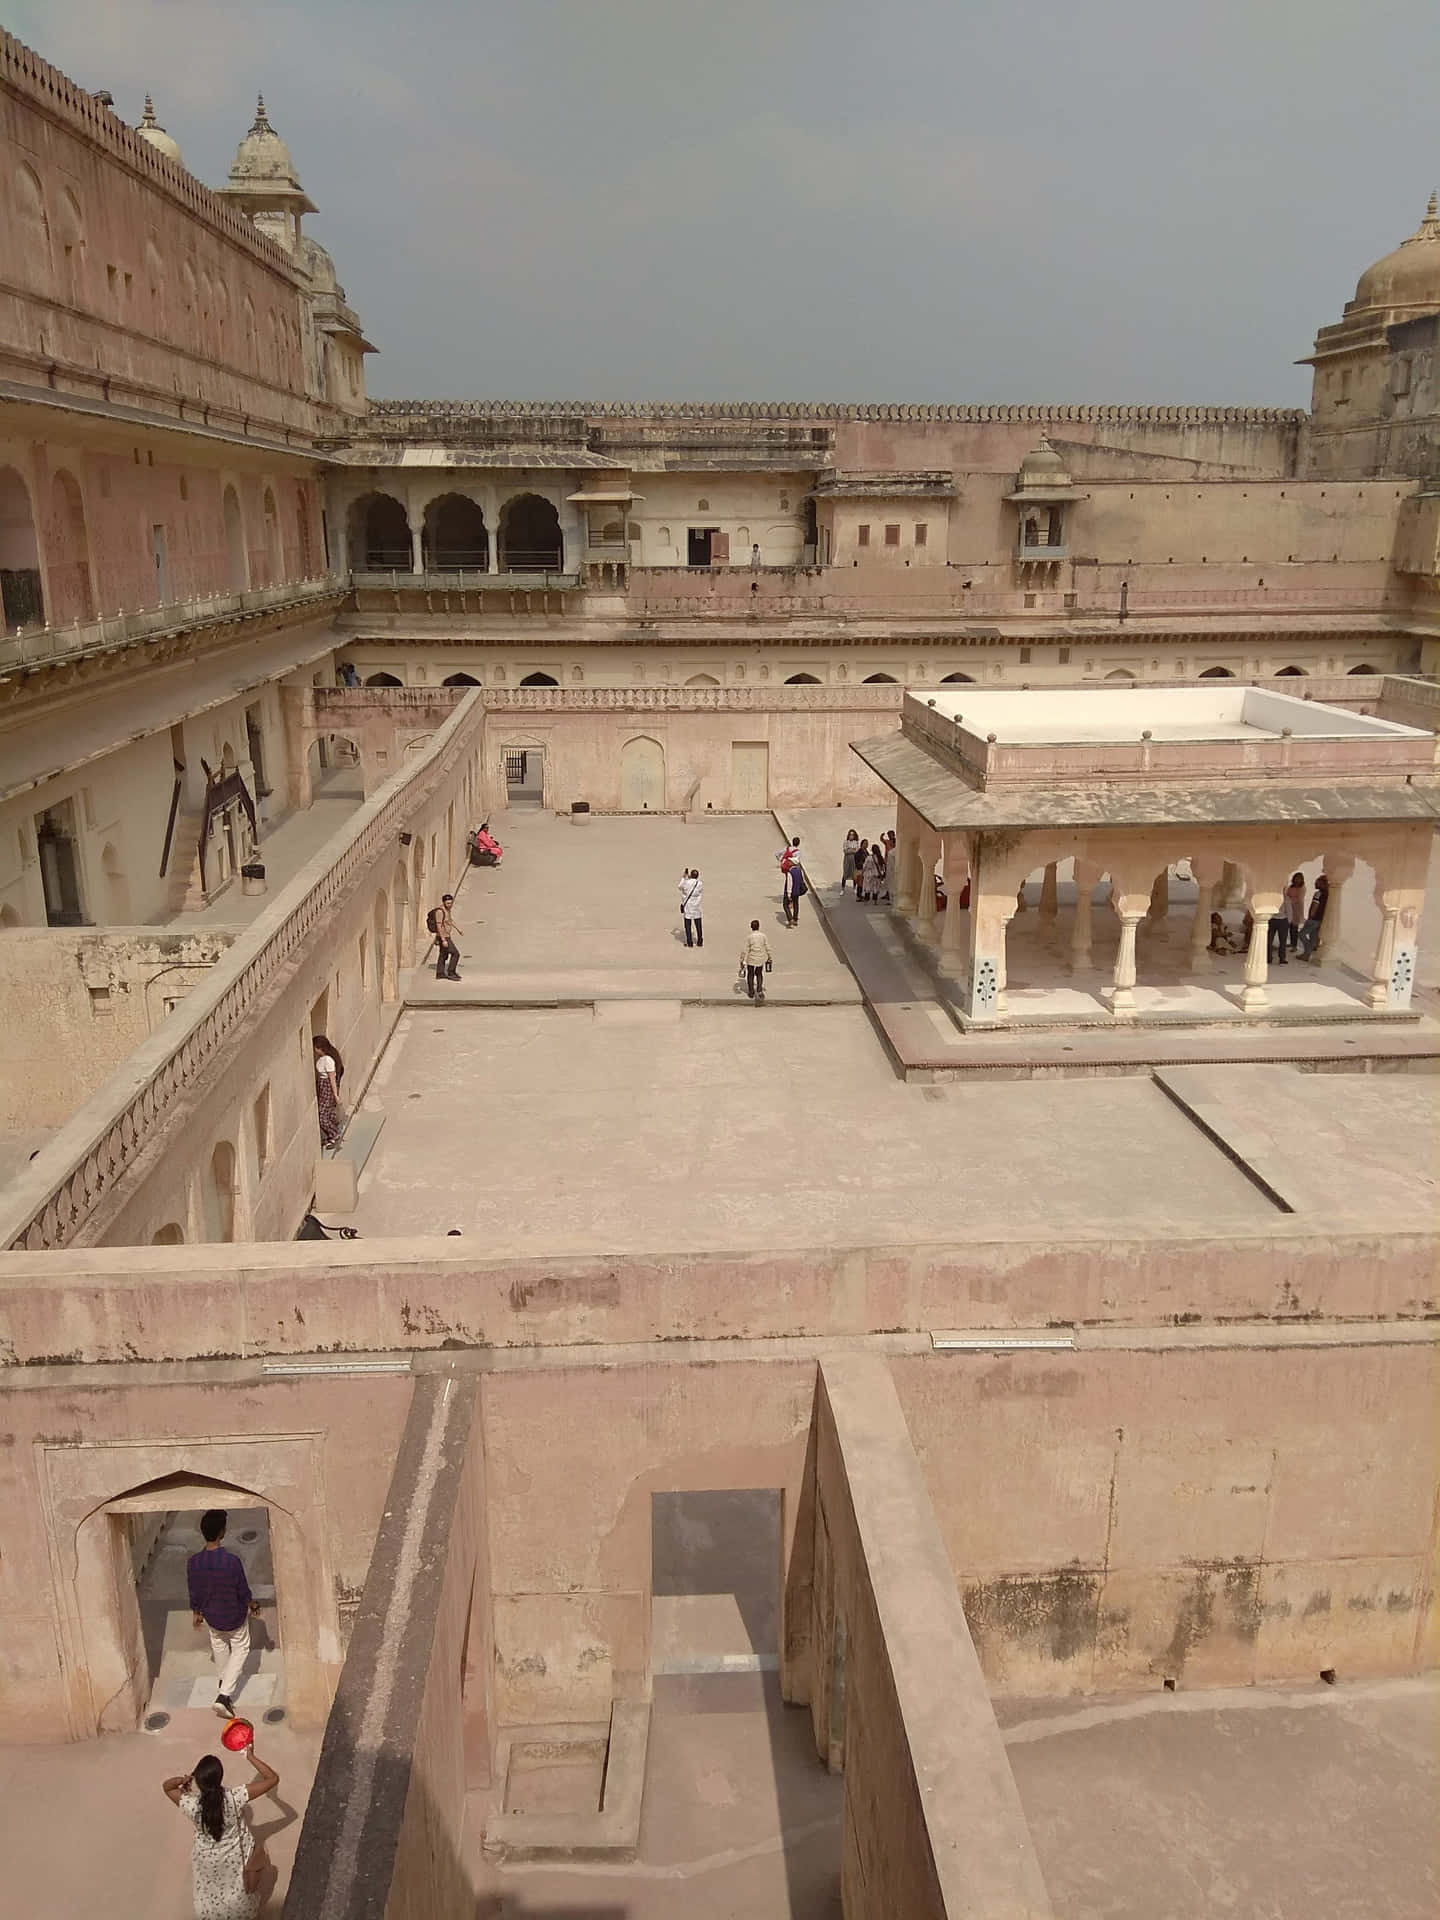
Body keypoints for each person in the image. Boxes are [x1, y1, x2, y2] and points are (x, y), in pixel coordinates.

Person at [164, 1743, 279, 1920]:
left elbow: (167, 1787)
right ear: (219, 1777)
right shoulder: (235, 1797)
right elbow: (272, 1779)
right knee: (259, 1853)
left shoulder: (192, 1806)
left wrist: (182, 1780)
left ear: (199, 1782)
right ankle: (247, 1901)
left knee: (212, 1887)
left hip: (206, 1858)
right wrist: (250, 1756)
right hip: (234, 1855)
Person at [187, 1510, 259, 1720]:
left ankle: (223, 1681)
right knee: (241, 1647)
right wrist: (253, 1605)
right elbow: (243, 1590)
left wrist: (196, 1612)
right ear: (222, 1532)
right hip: (234, 1615)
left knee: (218, 1645)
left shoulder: (194, 1563)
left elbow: (194, 1590)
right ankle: (224, 1696)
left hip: (212, 1616)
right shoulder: (232, 1561)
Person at [312, 1035, 344, 1149]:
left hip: (327, 1088)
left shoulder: (328, 1060)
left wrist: (335, 1095)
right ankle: (330, 1137)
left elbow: (331, 1078)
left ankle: (334, 1134)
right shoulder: (322, 1059)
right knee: (328, 1113)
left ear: (319, 1047)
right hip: (322, 1086)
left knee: (322, 1116)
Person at [1298, 874, 1329, 961]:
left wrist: (1310, 917)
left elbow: (1314, 906)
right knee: (1313, 937)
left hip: (1314, 919)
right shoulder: (1328, 894)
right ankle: (1306, 955)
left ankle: (1308, 950)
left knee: (1301, 934)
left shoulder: (1318, 894)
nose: (1315, 883)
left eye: (1317, 882)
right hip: (1321, 920)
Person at [739, 918, 772, 1000]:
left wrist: (742, 959)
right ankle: (760, 990)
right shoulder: (763, 936)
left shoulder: (749, 937)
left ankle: (751, 992)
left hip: (751, 959)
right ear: (759, 927)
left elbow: (745, 949)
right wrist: (770, 956)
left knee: (750, 975)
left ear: (751, 927)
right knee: (759, 974)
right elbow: (767, 947)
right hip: (760, 958)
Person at [433, 893, 460, 981]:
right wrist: (443, 939)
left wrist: (458, 929)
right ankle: (451, 972)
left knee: (443, 955)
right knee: (455, 953)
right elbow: (439, 926)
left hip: (447, 935)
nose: (450, 905)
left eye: (451, 903)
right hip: (444, 937)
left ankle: (440, 973)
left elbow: (450, 921)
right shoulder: (440, 912)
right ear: (444, 902)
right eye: (448, 903)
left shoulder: (447, 910)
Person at [679, 868, 704, 947]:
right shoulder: (699, 883)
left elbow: (680, 887)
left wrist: (684, 877)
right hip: (696, 906)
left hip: (688, 906)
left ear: (691, 875)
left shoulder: (687, 882)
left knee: (688, 925)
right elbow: (699, 891)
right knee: (698, 924)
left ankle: (689, 942)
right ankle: (700, 941)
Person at [1284, 871, 1307, 952]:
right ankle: (1291, 942)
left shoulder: (1302, 888)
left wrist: (1290, 900)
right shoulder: (1291, 887)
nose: (1297, 880)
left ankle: (1294, 945)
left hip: (1297, 909)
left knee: (1294, 927)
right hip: (1289, 908)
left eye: (1299, 878)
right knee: (1289, 926)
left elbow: (1299, 899)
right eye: (1296, 878)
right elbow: (1287, 895)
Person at [862, 839, 883, 904]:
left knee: (868, 887)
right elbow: (882, 867)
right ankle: (875, 901)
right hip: (876, 874)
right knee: (875, 888)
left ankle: (866, 901)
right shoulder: (880, 858)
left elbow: (864, 866)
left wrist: (863, 872)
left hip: (869, 874)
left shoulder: (869, 858)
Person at [842, 828, 860, 894]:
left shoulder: (856, 842)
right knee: (845, 873)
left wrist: (850, 849)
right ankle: (843, 889)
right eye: (850, 834)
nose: (851, 836)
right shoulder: (845, 842)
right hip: (847, 859)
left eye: (853, 835)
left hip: (854, 859)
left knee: (854, 874)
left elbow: (856, 851)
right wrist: (852, 850)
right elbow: (845, 851)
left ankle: (854, 887)